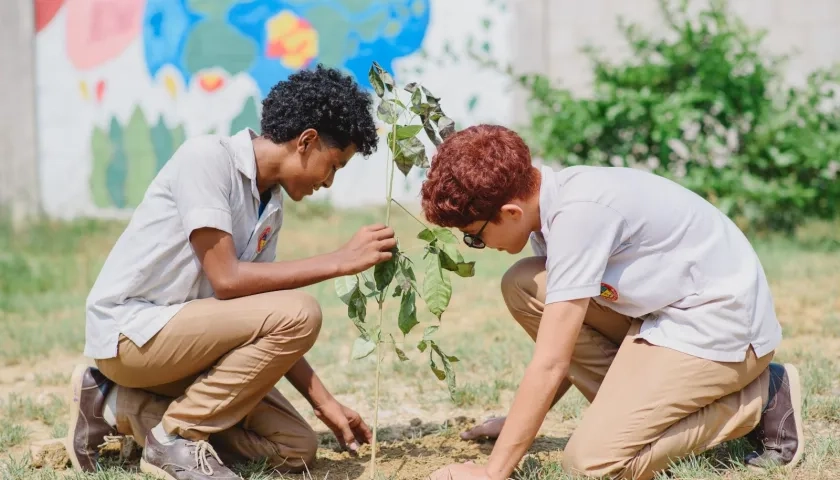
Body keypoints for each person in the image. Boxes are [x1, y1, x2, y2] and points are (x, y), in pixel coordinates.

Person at [68, 65, 397, 480]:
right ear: (307, 140)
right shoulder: (206, 158)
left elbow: (260, 313)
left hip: (186, 349)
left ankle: (118, 406)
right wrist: (339, 260)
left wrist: (324, 403)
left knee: (295, 448)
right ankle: (175, 437)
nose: (329, 181)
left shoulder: (271, 204)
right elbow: (227, 280)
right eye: (333, 165)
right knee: (302, 311)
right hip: (132, 336)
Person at [422, 125, 804, 480]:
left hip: (721, 330)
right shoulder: (548, 208)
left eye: (474, 237)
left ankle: (760, 397)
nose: (479, 247)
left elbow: (552, 361)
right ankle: (636, 415)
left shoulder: (579, 215)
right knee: (524, 284)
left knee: (592, 463)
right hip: (665, 314)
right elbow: (564, 347)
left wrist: (491, 472)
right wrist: (518, 425)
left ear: (510, 213)